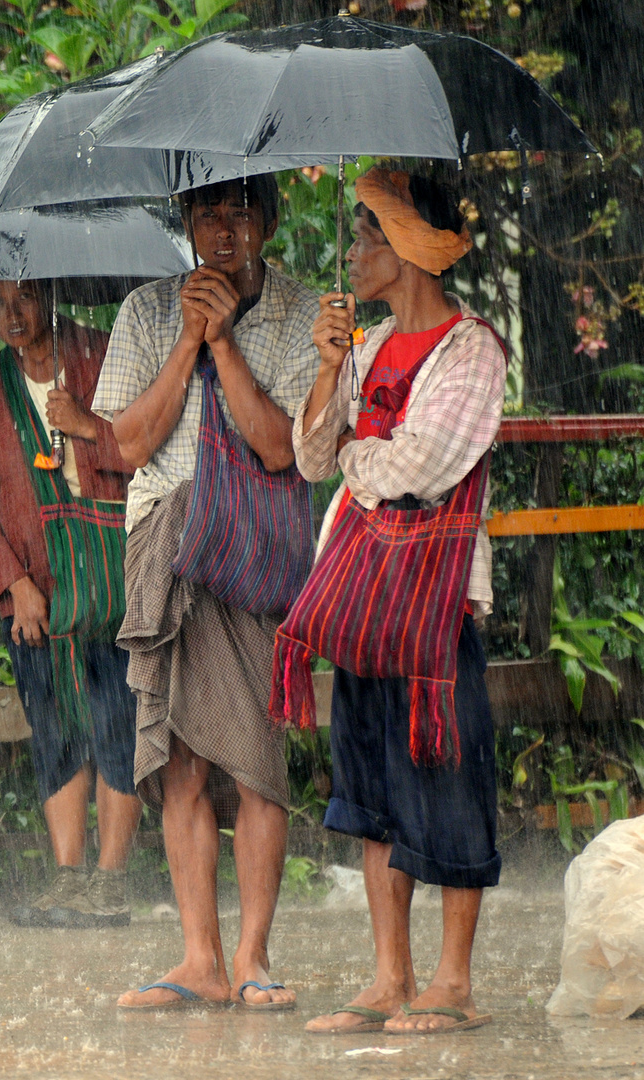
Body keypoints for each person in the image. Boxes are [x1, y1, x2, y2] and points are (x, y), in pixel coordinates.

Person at [92, 175, 319, 1009]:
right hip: (167, 542)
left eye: (240, 213)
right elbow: (127, 441)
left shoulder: (297, 315)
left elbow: (278, 451)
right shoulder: (148, 312)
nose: (222, 231)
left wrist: (226, 345)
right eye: (206, 213)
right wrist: (188, 339)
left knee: (257, 757)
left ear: (268, 220)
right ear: (185, 221)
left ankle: (254, 956)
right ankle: (200, 959)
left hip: (257, 549)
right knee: (181, 753)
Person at [294, 170, 504, 1035]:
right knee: (374, 780)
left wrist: (356, 451)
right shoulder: (370, 348)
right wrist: (330, 368)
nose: (354, 252)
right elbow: (311, 455)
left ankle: (451, 982)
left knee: (445, 775)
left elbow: (422, 464)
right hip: (364, 595)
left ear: (409, 247)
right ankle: (390, 975)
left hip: (435, 596)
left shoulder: (474, 349)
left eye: (368, 235)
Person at [0, 279, 142, 927]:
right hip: (34, 592)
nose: (11, 314)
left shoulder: (104, 356)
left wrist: (86, 427)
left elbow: (146, 450)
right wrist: (14, 584)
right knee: (56, 727)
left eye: (24, 297)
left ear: (51, 295)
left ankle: (110, 881)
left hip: (110, 578)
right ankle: (67, 877)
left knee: (119, 718)